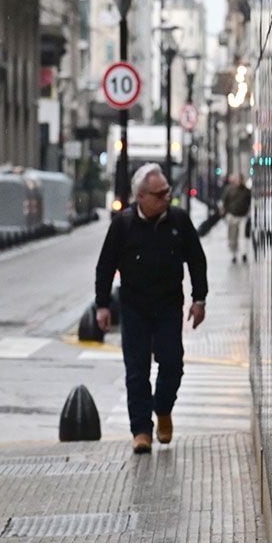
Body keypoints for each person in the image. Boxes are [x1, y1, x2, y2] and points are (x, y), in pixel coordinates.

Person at [94, 162, 208, 454]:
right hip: (134, 307)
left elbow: (197, 260)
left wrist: (199, 299)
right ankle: (141, 429)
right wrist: (102, 305)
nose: (166, 198)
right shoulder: (123, 224)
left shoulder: (179, 222)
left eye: (167, 192)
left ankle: (163, 408)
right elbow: (105, 266)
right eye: (159, 194)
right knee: (136, 370)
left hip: (169, 305)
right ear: (141, 196)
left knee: (173, 364)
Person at [222, 173, 252, 262]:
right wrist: (226, 212)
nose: (239, 181)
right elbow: (225, 201)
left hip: (242, 216)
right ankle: (234, 254)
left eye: (240, 179)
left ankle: (244, 253)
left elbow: (249, 202)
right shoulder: (229, 190)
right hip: (232, 216)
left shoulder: (246, 191)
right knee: (232, 236)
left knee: (243, 235)